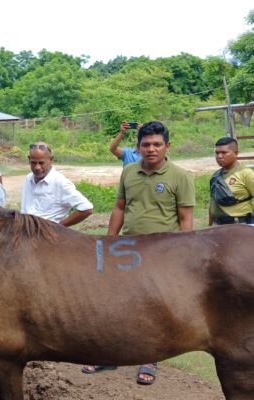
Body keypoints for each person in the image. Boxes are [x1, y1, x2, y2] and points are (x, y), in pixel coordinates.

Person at [83, 121, 195, 385]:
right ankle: (109, 355)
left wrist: (183, 257)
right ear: (138, 147)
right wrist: (108, 242)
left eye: (157, 144)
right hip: (127, 250)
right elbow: (120, 207)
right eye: (146, 144)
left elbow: (186, 219)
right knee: (117, 303)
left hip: (163, 254)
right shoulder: (129, 172)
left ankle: (149, 358)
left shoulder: (180, 176)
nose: (151, 149)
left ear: (168, 146)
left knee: (153, 309)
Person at [21, 142, 93, 227]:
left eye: (41, 163)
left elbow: (87, 208)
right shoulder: (29, 178)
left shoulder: (60, 182)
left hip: (47, 236)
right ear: (29, 159)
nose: (37, 167)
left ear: (51, 160)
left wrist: (58, 227)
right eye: (33, 163)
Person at [208, 137, 254, 226]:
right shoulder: (216, 176)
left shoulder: (246, 174)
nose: (219, 156)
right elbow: (212, 202)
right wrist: (210, 225)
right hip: (218, 226)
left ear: (236, 153)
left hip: (240, 225)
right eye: (217, 153)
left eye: (224, 153)